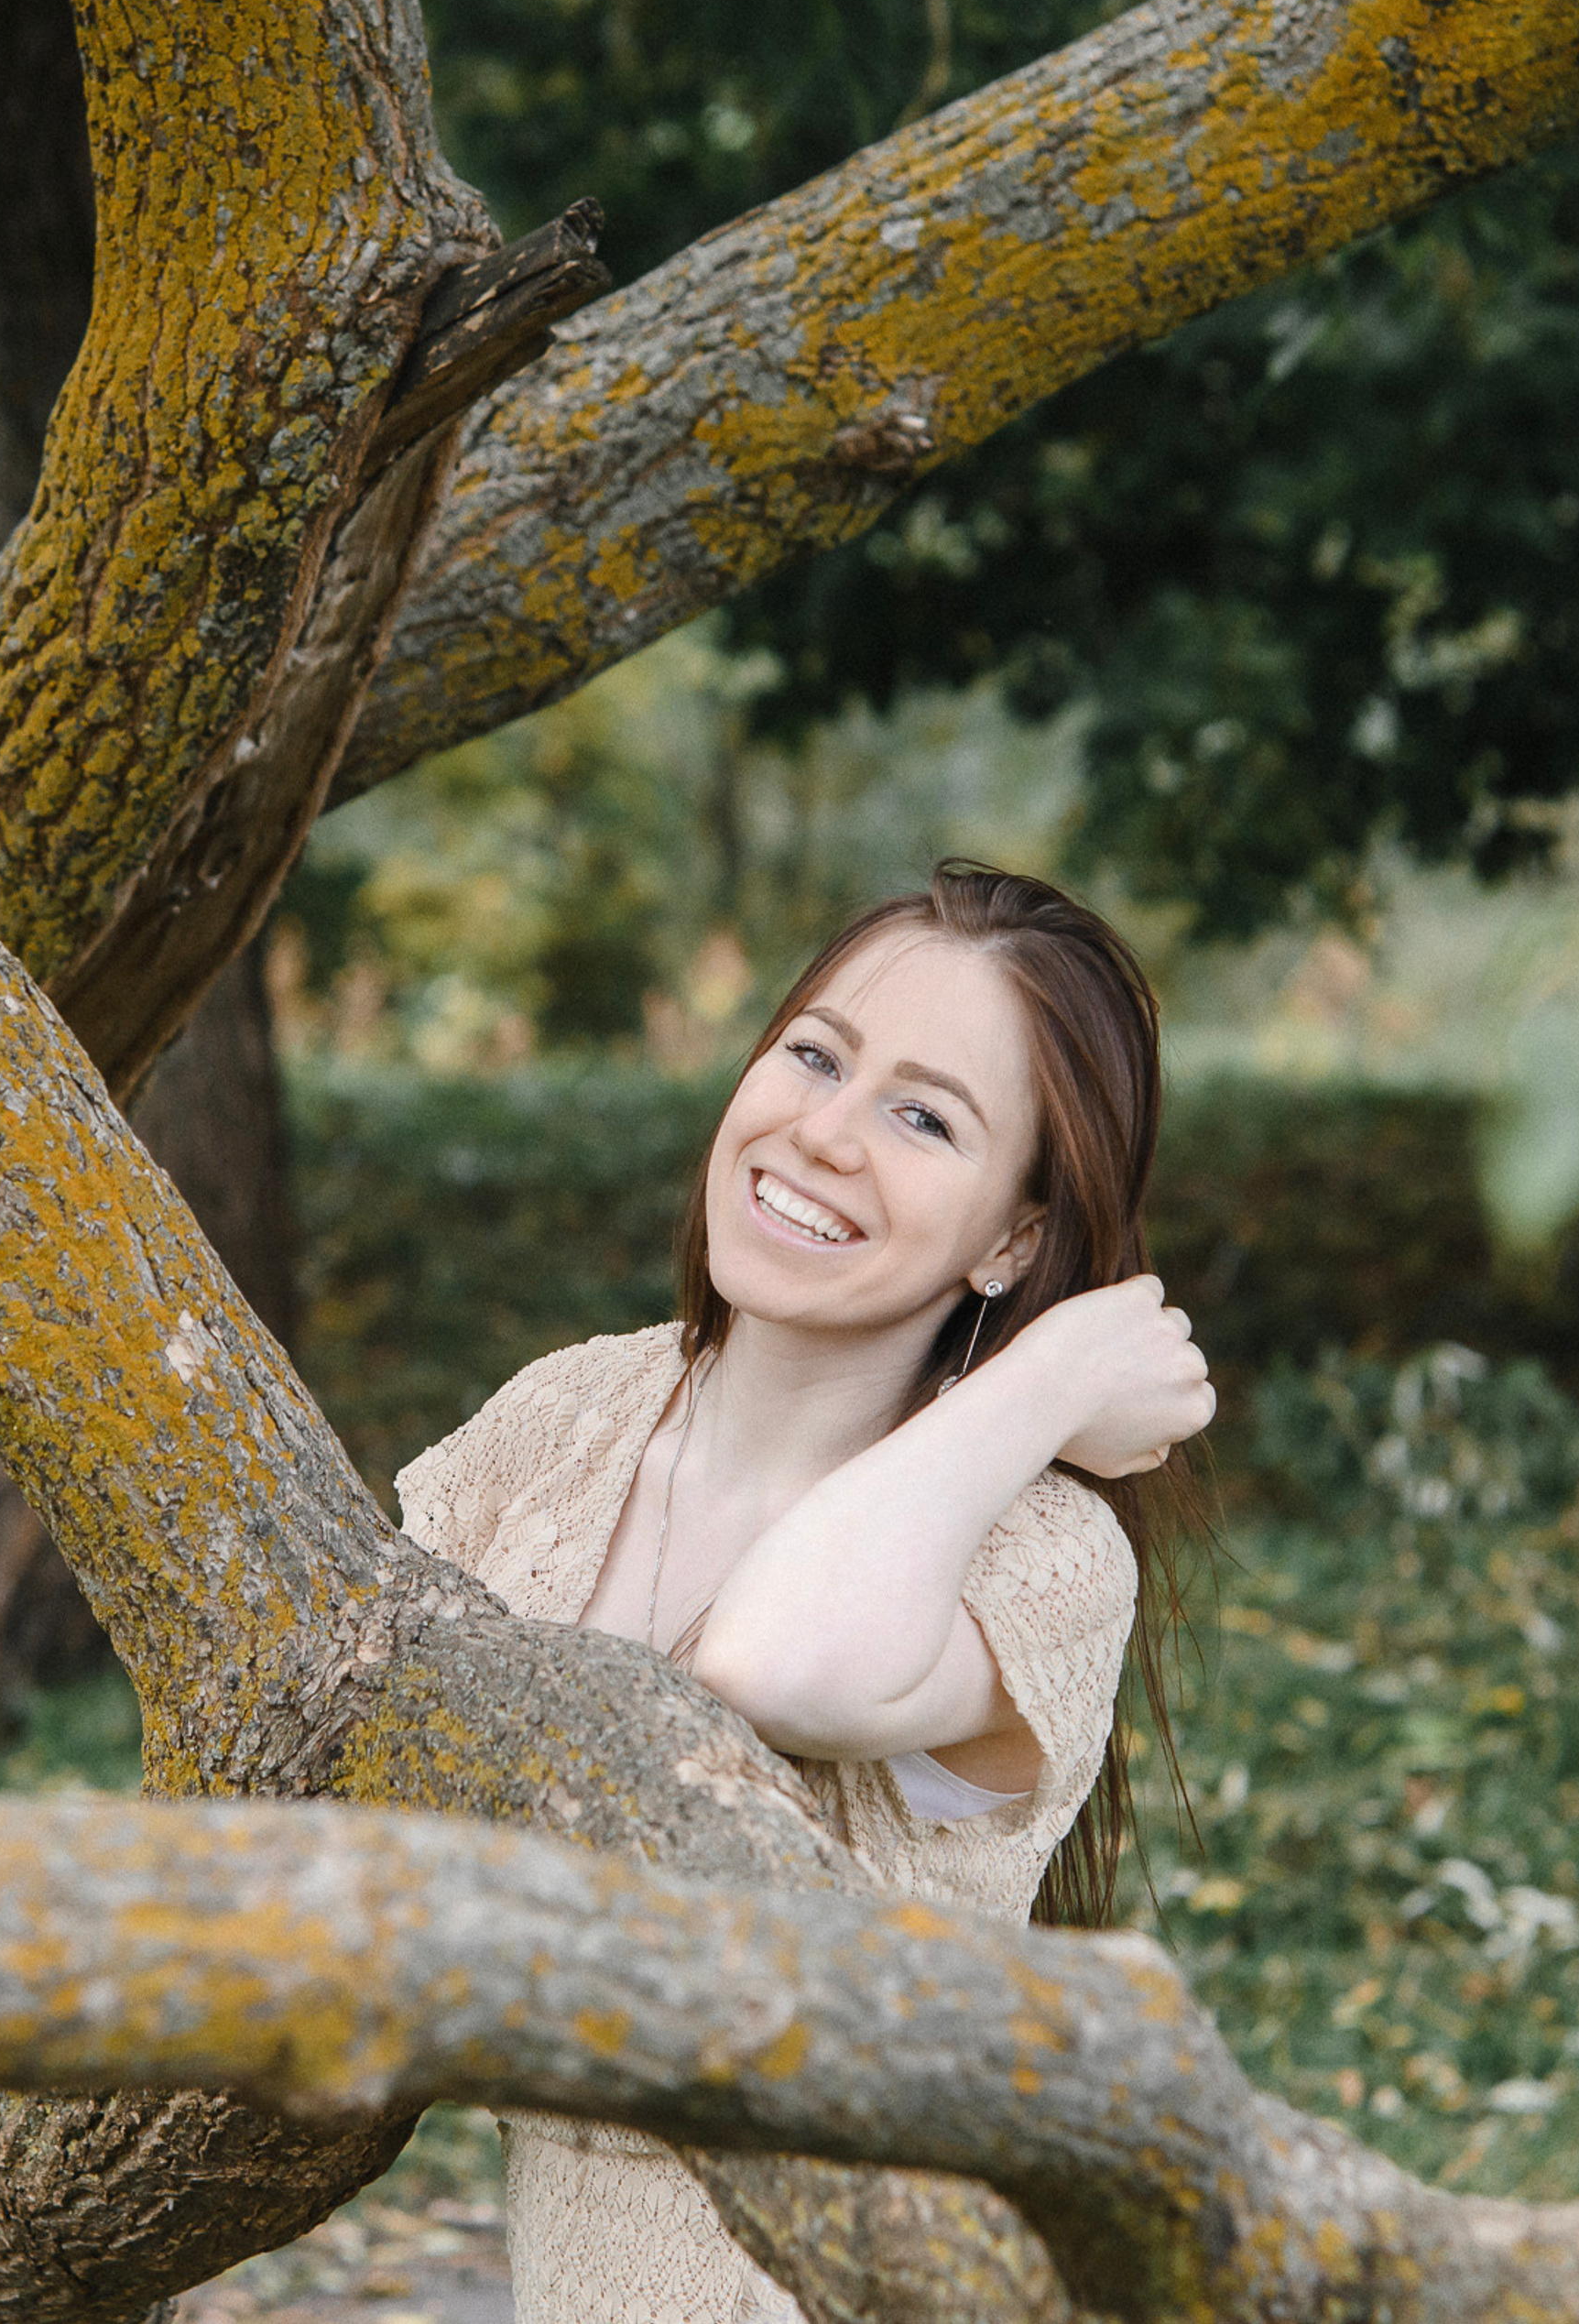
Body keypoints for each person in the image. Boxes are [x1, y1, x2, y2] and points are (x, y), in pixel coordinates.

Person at [396, 860, 1216, 2324]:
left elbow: (774, 1670)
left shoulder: (1040, 1557)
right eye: (816, 1055)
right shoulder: (568, 1413)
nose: (824, 1133)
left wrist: (1045, 1378)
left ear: (1014, 1240)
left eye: (923, 1117)